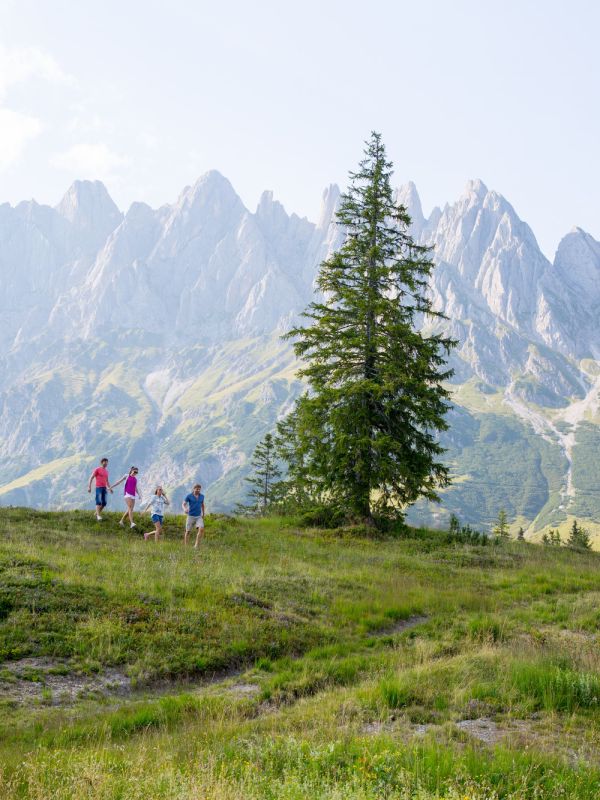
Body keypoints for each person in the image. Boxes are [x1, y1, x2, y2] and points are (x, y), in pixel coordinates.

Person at [182, 483, 205, 548]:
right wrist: (185, 509)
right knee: (188, 531)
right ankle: (186, 546)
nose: (198, 490)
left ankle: (196, 545)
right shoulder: (189, 496)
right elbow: (183, 504)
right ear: (194, 489)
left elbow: (202, 505)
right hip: (190, 516)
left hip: (198, 516)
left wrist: (203, 513)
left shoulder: (202, 496)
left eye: (199, 489)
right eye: (197, 489)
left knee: (201, 529)